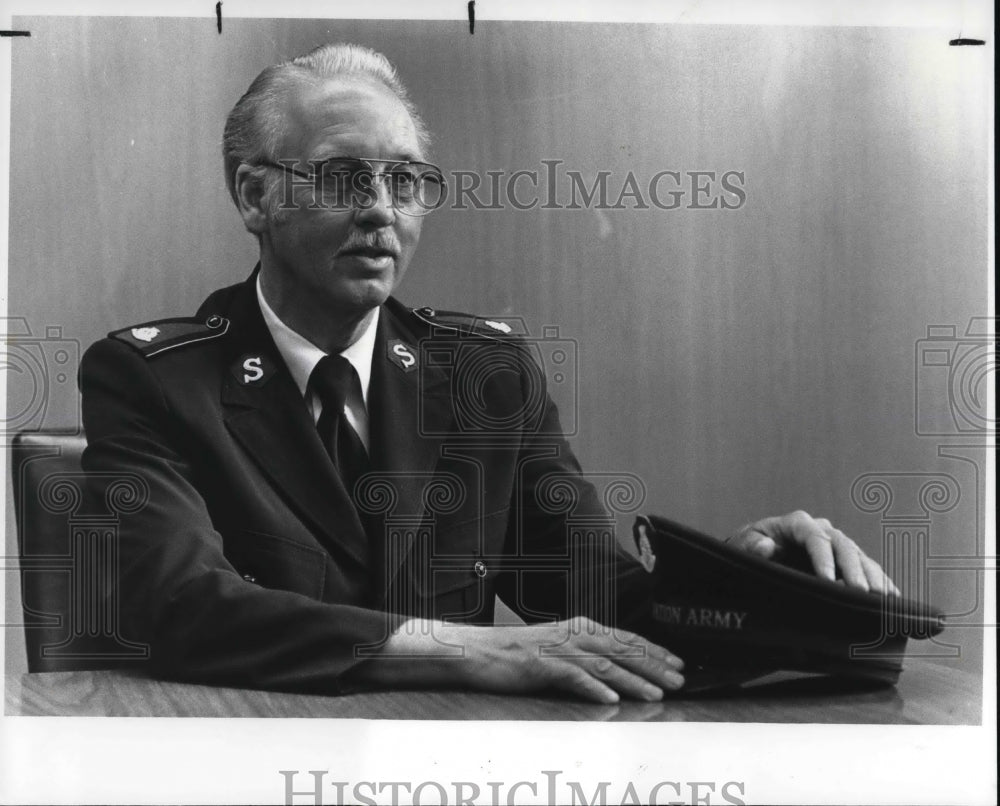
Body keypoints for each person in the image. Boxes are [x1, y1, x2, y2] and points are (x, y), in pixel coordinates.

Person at [79, 42, 898, 705]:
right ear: (253, 196)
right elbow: (179, 605)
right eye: (341, 176)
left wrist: (749, 575)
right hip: (243, 759)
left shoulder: (483, 374)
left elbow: (597, 601)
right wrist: (478, 651)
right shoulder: (152, 377)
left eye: (405, 179)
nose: (380, 208)